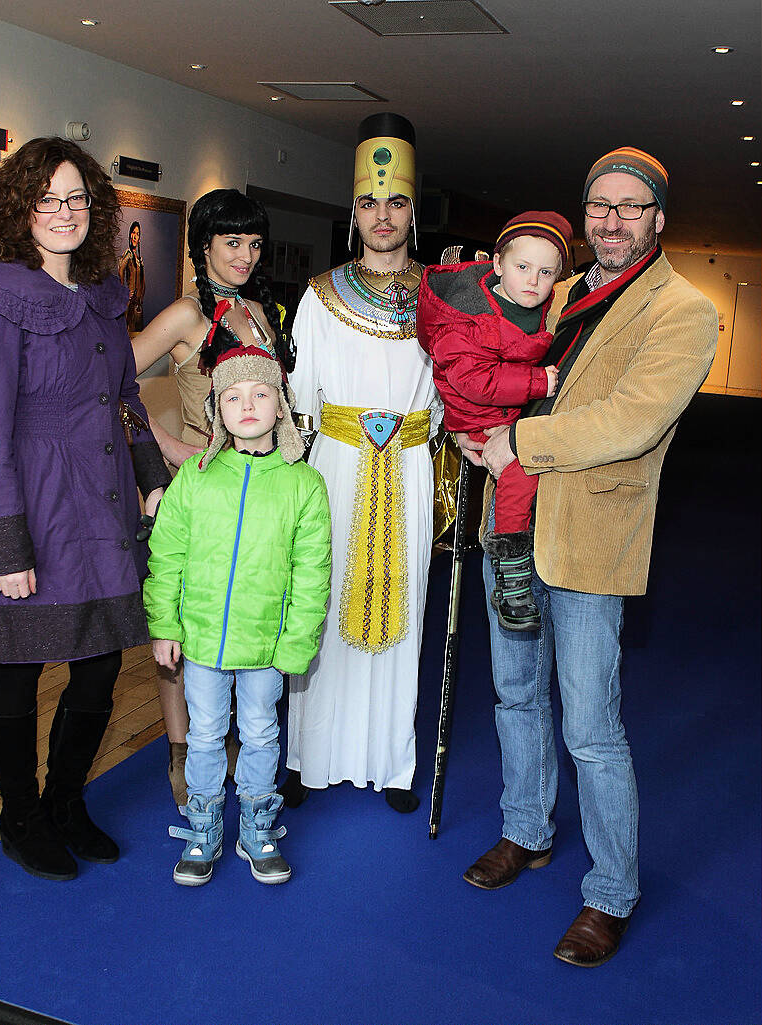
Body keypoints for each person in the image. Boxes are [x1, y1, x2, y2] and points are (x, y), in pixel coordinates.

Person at [459, 147, 717, 966]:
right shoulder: (558, 289)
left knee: (592, 727)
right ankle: (524, 830)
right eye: (597, 207)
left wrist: (512, 440)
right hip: (514, 524)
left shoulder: (683, 309)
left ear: (657, 219)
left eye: (628, 208)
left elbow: (628, 421)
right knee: (512, 695)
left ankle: (609, 892)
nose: (610, 221)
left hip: (589, 537)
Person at [0, 136, 171, 882]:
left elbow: (127, 399)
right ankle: (20, 817)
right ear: (20, 208)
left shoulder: (106, 298)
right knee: (17, 668)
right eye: (47, 197)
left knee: (100, 663)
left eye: (77, 197)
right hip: (34, 507)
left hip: (104, 502)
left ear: (96, 208)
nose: (63, 211)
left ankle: (66, 802)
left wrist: (151, 475)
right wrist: (7, 550)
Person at [281, 113, 442, 814]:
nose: (383, 216)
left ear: (412, 210)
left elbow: (452, 393)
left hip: (407, 465)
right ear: (354, 211)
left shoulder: (444, 298)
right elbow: (296, 401)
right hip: (337, 466)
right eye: (370, 203)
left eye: (396, 202)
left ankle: (392, 762)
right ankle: (307, 757)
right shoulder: (318, 297)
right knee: (320, 597)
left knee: (403, 606)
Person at [144, 346, 331, 886]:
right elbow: (168, 556)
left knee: (260, 733)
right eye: (233, 396)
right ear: (217, 411)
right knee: (204, 734)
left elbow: (311, 572)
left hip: (265, 646)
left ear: (281, 405)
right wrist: (165, 625)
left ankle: (257, 826)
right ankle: (203, 826)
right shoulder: (196, 479)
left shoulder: (302, 485)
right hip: (201, 642)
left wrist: (296, 643)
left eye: (260, 393)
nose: (247, 405)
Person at [132, 189, 293, 806]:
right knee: (187, 619)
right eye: (231, 242)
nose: (245, 255)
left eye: (254, 243)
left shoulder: (261, 312)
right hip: (201, 493)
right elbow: (111, 383)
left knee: (248, 609)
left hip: (260, 492)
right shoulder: (183, 316)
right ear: (203, 247)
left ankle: (231, 739)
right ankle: (182, 750)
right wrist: (171, 449)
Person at [417, 211, 573, 631]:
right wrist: (538, 381)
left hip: (505, 410)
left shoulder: (537, 307)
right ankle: (510, 564)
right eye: (522, 267)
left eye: (545, 272)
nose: (532, 281)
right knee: (520, 471)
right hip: (480, 416)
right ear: (498, 263)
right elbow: (474, 380)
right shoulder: (465, 313)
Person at [118, 220, 145, 332]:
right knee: (126, 331)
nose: (135, 236)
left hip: (137, 302)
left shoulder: (138, 259)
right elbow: (120, 270)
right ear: (130, 235)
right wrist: (124, 291)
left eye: (137, 234)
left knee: (136, 331)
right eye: (133, 233)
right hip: (129, 302)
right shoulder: (128, 254)